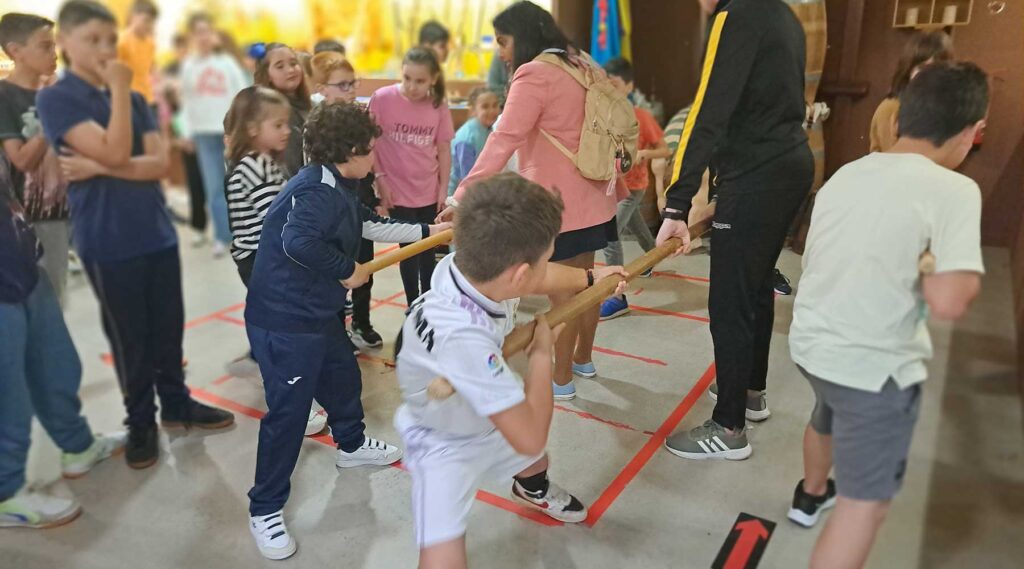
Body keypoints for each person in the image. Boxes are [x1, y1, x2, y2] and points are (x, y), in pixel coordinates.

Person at [788, 61, 987, 569]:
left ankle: (811, 494)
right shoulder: (955, 190)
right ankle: (827, 499)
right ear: (972, 132)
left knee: (826, 412)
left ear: (901, 117)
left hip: (812, 346)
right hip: (874, 371)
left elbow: (819, 257)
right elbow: (949, 301)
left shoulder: (847, 173)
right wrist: (929, 264)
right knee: (864, 509)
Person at [243, 102, 450, 560]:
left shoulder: (338, 182)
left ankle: (351, 444)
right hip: (284, 320)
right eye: (371, 150)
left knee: (343, 379)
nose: (375, 157)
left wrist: (429, 230)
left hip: (317, 313)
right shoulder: (316, 190)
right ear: (349, 151)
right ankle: (264, 508)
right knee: (289, 414)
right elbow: (296, 241)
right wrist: (346, 270)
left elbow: (369, 225)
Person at [36, 0, 235, 470]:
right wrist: (121, 91)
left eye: (110, 40)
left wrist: (102, 164)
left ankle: (177, 405)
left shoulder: (140, 101)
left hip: (156, 232)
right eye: (93, 41)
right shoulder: (58, 98)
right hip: (108, 238)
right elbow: (122, 148)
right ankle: (141, 420)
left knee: (168, 330)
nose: (106, 50)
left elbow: (157, 166)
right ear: (65, 42)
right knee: (131, 338)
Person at [396, 173, 628, 569]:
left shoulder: (465, 266)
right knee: (443, 557)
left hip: (479, 395)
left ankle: (531, 488)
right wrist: (542, 356)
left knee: (535, 461)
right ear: (520, 275)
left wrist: (592, 276)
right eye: (544, 259)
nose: (546, 268)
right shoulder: (466, 339)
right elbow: (529, 434)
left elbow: (540, 276)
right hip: (443, 436)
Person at [444, 1, 626, 401]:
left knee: (563, 291)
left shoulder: (534, 73)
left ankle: (560, 380)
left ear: (523, 37)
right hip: (599, 194)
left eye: (503, 40)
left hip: (559, 204)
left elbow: (503, 137)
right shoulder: (582, 63)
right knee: (588, 281)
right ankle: (583, 359)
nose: (500, 50)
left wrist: (463, 195)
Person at [658, 0, 813, 459]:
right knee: (756, 285)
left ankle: (728, 428)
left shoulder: (734, 15)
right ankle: (751, 392)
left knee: (729, 300)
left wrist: (676, 203)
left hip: (757, 175)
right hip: (789, 167)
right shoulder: (783, 14)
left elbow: (707, 111)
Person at [0, 190, 127, 529]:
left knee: (56, 364)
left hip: (18, 258)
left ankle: (78, 445)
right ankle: (5, 493)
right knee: (8, 396)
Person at [222, 86, 328, 437]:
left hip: (267, 257)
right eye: (278, 125)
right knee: (284, 333)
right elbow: (277, 216)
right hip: (260, 260)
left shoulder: (263, 162)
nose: (287, 131)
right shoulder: (253, 166)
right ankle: (293, 404)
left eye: (287, 124)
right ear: (253, 128)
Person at [310, 51, 386, 349]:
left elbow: (369, 162)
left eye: (353, 83)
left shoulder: (360, 116)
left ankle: (362, 321)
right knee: (339, 271)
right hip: (333, 214)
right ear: (322, 89)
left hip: (360, 204)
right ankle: (337, 328)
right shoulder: (316, 128)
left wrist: (379, 187)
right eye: (343, 85)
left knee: (365, 267)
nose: (351, 90)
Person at [369, 47, 454, 305]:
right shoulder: (382, 99)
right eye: (407, 78)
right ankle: (412, 303)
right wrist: (380, 179)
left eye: (420, 81)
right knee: (408, 249)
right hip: (397, 191)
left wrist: (442, 189)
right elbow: (370, 143)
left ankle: (428, 301)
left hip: (427, 189)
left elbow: (443, 150)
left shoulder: (438, 106)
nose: (412, 86)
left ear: (432, 80)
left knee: (428, 248)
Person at [0, 13, 71, 304]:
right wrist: (49, 120)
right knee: (44, 300)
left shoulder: (55, 91)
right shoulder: (5, 97)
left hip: (66, 207)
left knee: (57, 295)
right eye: (44, 46)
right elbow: (21, 160)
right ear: (16, 51)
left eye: (54, 46)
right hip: (32, 215)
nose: (54, 54)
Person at [598, 57, 671, 320]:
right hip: (613, 187)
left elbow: (665, 149)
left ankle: (616, 296)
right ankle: (652, 258)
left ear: (628, 87)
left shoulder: (641, 117)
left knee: (609, 235)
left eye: (615, 84)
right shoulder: (603, 118)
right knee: (636, 225)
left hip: (634, 187)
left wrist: (642, 153)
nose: (609, 90)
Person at [180, 12, 250, 257]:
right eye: (197, 32)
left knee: (239, 184)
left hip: (229, 132)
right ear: (192, 36)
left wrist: (241, 128)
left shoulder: (226, 63)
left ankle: (247, 232)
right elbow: (185, 101)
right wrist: (187, 132)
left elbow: (242, 94)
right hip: (203, 134)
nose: (203, 37)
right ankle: (223, 236)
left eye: (206, 32)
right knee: (214, 188)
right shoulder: (188, 65)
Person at [869, 30, 953, 153]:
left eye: (938, 68)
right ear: (908, 70)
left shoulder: (944, 109)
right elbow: (893, 158)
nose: (929, 75)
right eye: (922, 68)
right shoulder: (891, 108)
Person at [254, 42, 312, 179]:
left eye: (293, 63)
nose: (290, 70)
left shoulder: (311, 106)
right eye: (280, 66)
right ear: (266, 74)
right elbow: (288, 166)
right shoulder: (270, 113)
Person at [448, 86, 499, 195]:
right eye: (485, 107)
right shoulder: (467, 138)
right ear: (473, 110)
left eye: (495, 105)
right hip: (460, 197)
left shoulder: (489, 129)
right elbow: (467, 177)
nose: (492, 111)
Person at [116, 0, 158, 109]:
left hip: (148, 98)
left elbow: (150, 69)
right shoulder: (122, 41)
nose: (149, 25)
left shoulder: (150, 43)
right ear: (133, 16)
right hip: (128, 99)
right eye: (146, 21)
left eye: (152, 22)